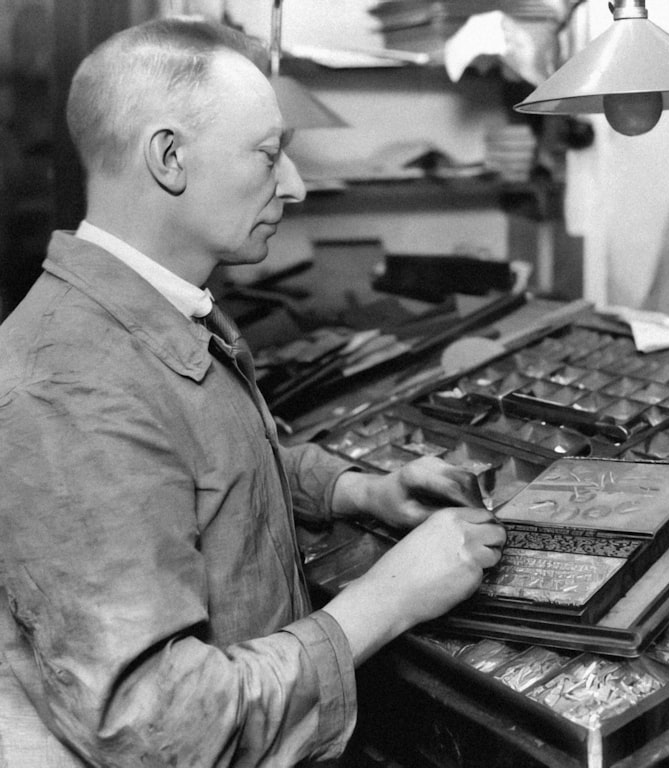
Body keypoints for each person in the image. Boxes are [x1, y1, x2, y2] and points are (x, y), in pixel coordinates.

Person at [0, 17, 506, 767]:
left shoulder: (154, 309)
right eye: (270, 155)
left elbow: (201, 462)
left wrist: (357, 493)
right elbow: (159, 729)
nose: (295, 186)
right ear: (169, 157)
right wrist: (390, 598)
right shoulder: (65, 389)